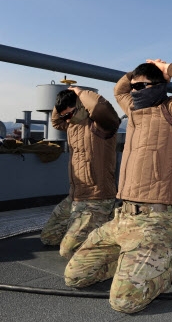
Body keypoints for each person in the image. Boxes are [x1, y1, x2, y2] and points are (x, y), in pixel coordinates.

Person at [64, 59, 172, 314]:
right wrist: (133, 74)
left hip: (155, 221)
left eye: (143, 86)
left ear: (161, 86)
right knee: (75, 278)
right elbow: (119, 90)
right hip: (122, 218)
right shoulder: (134, 110)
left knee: (125, 302)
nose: (137, 91)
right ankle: (139, 263)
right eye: (135, 87)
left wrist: (167, 67)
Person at [40, 86, 120, 259]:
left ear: (80, 106)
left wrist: (79, 92)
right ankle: (101, 226)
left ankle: (116, 236)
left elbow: (101, 108)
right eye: (64, 116)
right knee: (49, 237)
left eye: (69, 115)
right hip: (75, 197)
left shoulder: (101, 126)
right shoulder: (71, 126)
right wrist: (61, 101)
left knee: (67, 251)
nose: (66, 120)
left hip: (97, 198)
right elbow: (55, 121)